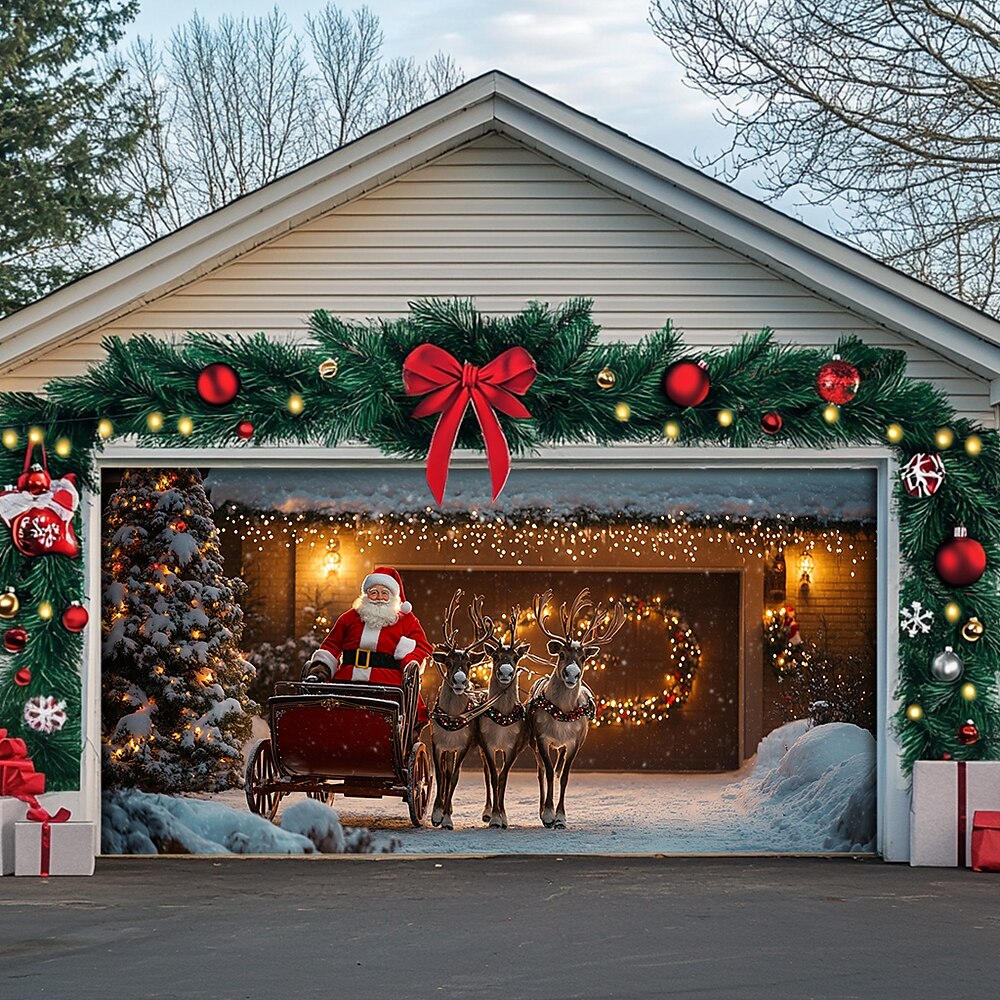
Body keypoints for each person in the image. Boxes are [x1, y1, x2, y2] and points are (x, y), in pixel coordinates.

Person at [303, 568, 432, 720]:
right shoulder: (349, 618)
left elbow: (423, 647)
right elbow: (332, 645)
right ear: (366, 594)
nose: (379, 598)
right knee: (329, 711)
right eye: (374, 592)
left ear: (393, 597)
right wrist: (320, 669)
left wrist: (408, 659)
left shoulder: (406, 621)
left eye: (385, 593)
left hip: (387, 684)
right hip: (347, 681)